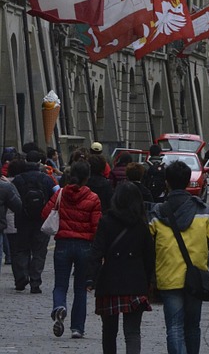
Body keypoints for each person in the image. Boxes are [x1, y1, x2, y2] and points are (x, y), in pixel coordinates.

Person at [149, 159, 209, 354]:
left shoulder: (157, 213)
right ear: (188, 181)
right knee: (193, 326)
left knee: (174, 327)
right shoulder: (204, 212)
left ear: (167, 183)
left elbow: (149, 242)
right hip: (195, 276)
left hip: (168, 275)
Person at [88, 180, 155, 354]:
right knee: (132, 333)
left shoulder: (106, 221)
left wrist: (91, 278)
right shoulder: (142, 225)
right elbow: (150, 257)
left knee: (109, 332)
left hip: (110, 281)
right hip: (135, 282)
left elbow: (97, 252)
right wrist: (148, 281)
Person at [44, 158, 102, 338]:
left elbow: (45, 213)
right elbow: (96, 226)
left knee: (60, 284)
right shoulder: (93, 198)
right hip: (84, 246)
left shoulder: (60, 194)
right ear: (87, 178)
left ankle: (59, 306)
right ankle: (77, 328)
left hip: (62, 244)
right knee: (80, 289)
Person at [11, 147, 56, 293]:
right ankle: (35, 282)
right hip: (42, 220)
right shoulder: (47, 179)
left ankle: (21, 277)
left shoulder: (18, 179)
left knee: (21, 249)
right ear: (39, 162)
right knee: (39, 251)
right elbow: (57, 195)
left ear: (25, 161)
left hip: (22, 219)